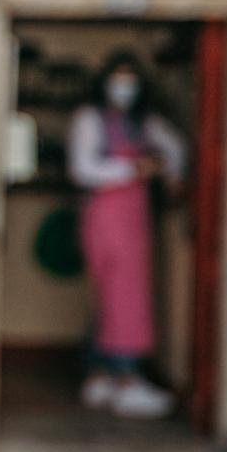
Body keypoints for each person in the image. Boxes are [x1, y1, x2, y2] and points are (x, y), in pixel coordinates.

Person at [68, 51, 186, 419]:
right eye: (118, 78)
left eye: (131, 79)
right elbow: (83, 169)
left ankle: (111, 374)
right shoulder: (90, 119)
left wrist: (170, 173)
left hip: (133, 219)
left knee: (129, 296)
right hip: (103, 217)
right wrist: (134, 168)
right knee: (111, 295)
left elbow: (176, 148)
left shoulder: (143, 122)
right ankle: (119, 376)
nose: (124, 87)